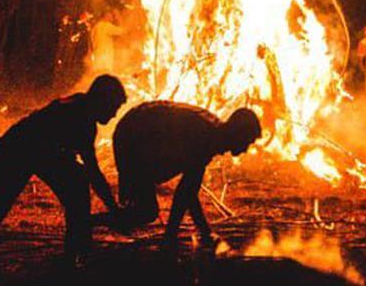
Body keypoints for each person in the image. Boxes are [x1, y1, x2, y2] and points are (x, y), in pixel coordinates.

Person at [0, 75, 126, 257]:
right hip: (15, 153)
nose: (114, 114)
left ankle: (79, 248)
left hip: (31, 153)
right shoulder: (80, 117)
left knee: (77, 184)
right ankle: (79, 250)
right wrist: (114, 209)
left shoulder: (80, 107)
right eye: (113, 107)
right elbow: (93, 171)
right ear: (102, 100)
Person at [105, 101, 261, 249]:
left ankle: (93, 221)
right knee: (146, 211)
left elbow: (188, 192)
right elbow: (185, 193)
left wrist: (204, 233)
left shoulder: (212, 134)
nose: (246, 148)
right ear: (238, 134)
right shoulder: (205, 137)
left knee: (142, 210)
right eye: (247, 141)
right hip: (133, 134)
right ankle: (86, 223)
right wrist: (175, 236)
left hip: (137, 128)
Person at [88, 10, 126, 76]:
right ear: (106, 16)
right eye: (110, 17)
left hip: (97, 59)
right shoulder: (106, 26)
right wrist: (119, 18)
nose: (112, 19)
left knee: (97, 78)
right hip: (105, 59)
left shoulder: (95, 28)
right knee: (105, 78)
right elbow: (122, 31)